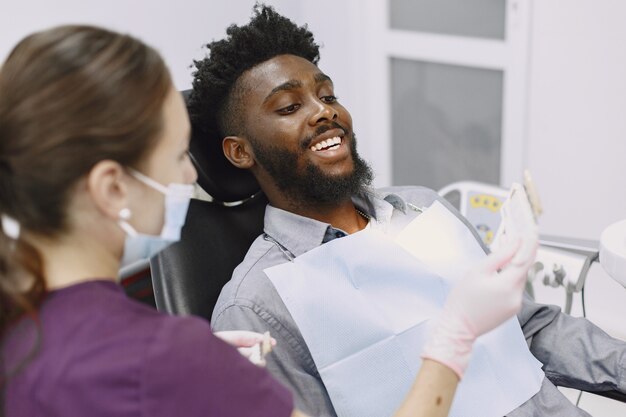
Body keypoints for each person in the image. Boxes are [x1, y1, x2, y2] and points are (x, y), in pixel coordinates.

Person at [0, 24, 534, 417]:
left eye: (327, 95)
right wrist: (455, 335)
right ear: (112, 187)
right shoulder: (211, 331)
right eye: (174, 156)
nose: (189, 175)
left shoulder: (19, 331)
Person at [191, 5, 626, 417]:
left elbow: (530, 329)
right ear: (240, 151)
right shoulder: (254, 307)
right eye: (289, 107)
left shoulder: (423, 207)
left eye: (328, 95)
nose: (325, 111)